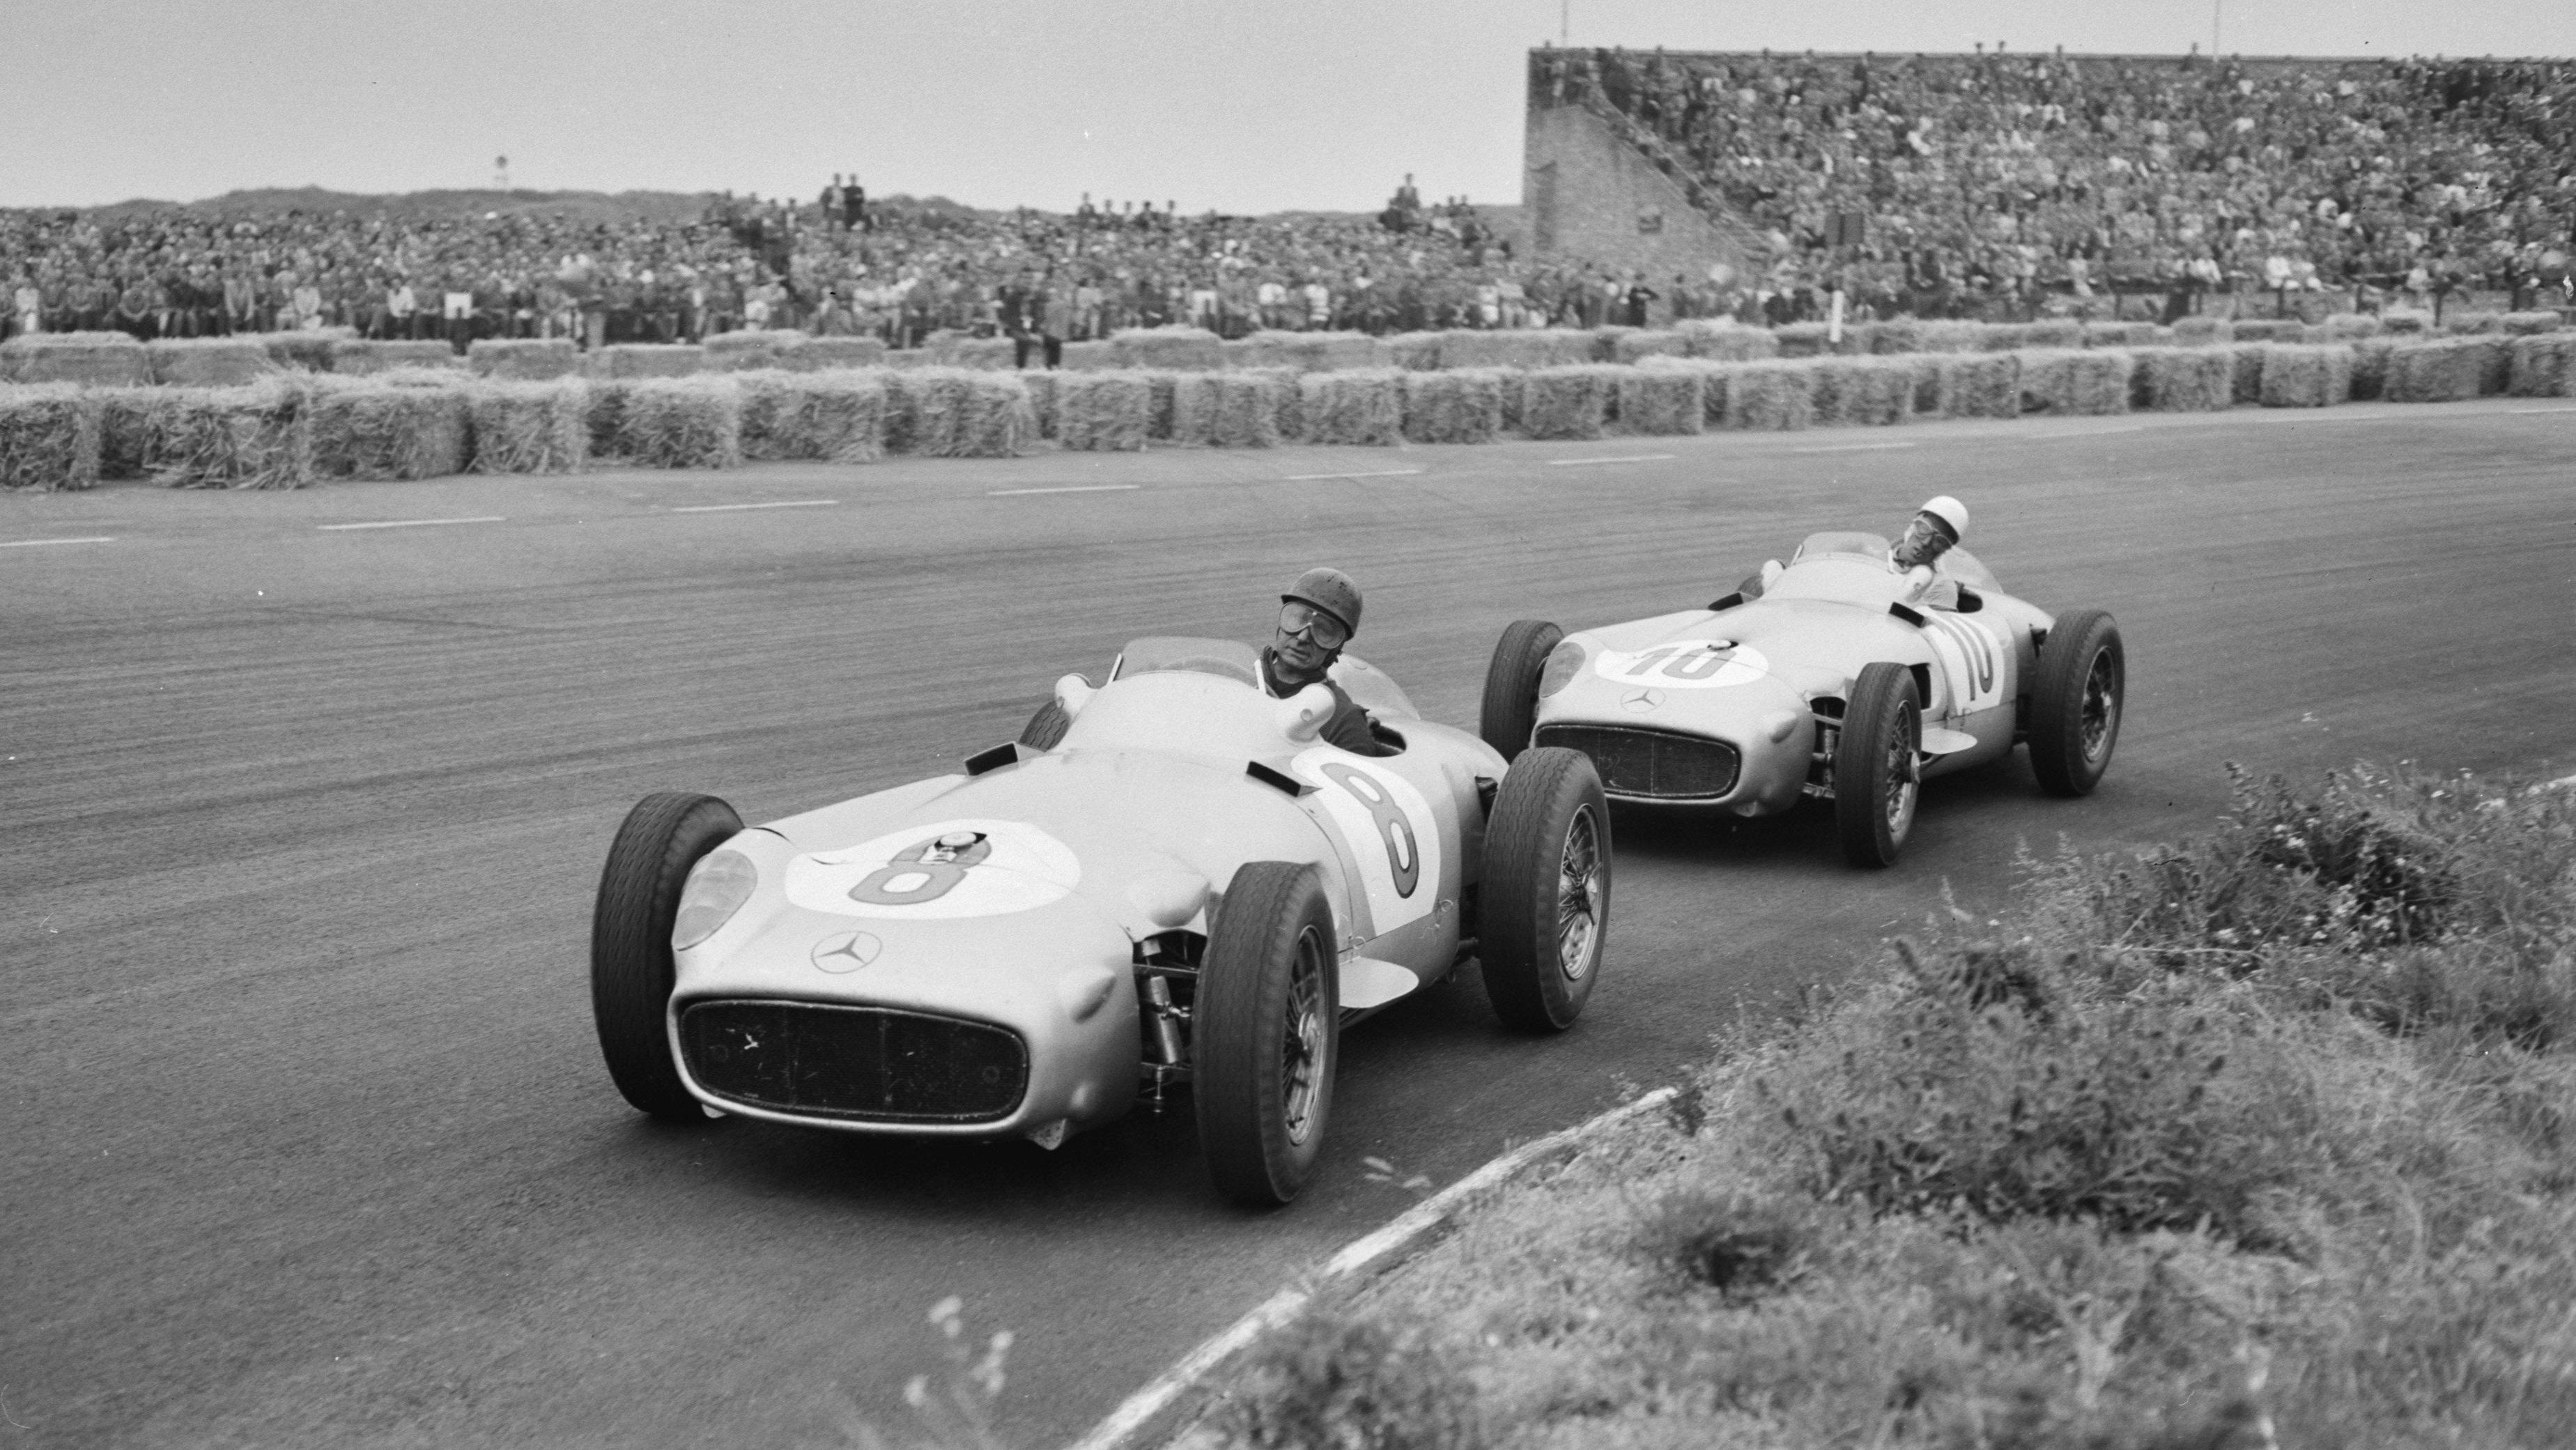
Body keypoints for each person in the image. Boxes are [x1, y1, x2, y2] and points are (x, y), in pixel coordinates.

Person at [1259, 569, 1394, 757]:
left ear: (1337, 648)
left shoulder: (1343, 720)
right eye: (1297, 618)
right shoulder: (1241, 678)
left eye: (1323, 630)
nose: (1303, 637)